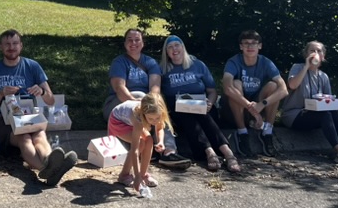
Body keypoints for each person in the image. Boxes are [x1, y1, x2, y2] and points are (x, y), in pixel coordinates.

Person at [0, 29, 77, 186]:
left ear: (21, 46)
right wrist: (1, 94)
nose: (11, 47)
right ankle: (49, 169)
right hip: (3, 119)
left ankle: (49, 162)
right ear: (0, 47)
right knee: (24, 138)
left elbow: (51, 100)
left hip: (28, 115)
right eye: (7, 44)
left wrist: (42, 92)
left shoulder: (32, 66)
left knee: (39, 134)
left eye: (15, 43)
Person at [280, 40, 338, 168]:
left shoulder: (323, 76)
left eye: (319, 51)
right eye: (312, 51)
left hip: (314, 115)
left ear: (323, 56)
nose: (315, 53)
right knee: (324, 113)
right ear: (306, 54)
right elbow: (292, 85)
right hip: (294, 115)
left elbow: (328, 103)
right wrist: (306, 67)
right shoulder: (298, 67)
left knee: (332, 112)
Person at [104, 28, 190, 170]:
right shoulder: (119, 62)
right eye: (130, 40)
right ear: (125, 43)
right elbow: (120, 89)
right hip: (119, 104)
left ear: (143, 43)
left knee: (160, 110)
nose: (133, 43)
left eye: (137, 40)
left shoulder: (150, 62)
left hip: (145, 104)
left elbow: (155, 88)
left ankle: (168, 151)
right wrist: (140, 103)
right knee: (140, 96)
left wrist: (151, 103)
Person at [160, 35, 241, 173]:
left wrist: (210, 103)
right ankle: (214, 152)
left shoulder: (197, 65)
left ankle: (223, 153)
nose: (174, 49)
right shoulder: (163, 69)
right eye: (170, 47)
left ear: (183, 47)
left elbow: (212, 91)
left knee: (201, 112)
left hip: (203, 107)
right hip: (178, 110)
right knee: (187, 112)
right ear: (166, 52)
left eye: (177, 45)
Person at [219, 30, 288, 157]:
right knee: (236, 83)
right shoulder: (233, 62)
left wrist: (262, 104)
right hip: (236, 109)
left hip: (256, 105)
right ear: (241, 46)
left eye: (254, 43)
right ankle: (242, 133)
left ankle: (267, 132)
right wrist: (252, 108)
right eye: (246, 43)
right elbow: (227, 87)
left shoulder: (266, 62)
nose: (250, 47)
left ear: (259, 46)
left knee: (273, 86)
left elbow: (284, 90)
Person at [108, 93, 172, 193]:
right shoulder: (138, 118)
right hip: (118, 122)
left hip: (129, 120)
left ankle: (143, 174)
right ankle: (124, 175)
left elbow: (159, 128)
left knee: (149, 140)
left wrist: (160, 142)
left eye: (157, 118)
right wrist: (136, 177)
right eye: (150, 119)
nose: (154, 121)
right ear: (144, 113)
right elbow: (135, 149)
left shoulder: (157, 112)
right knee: (141, 143)